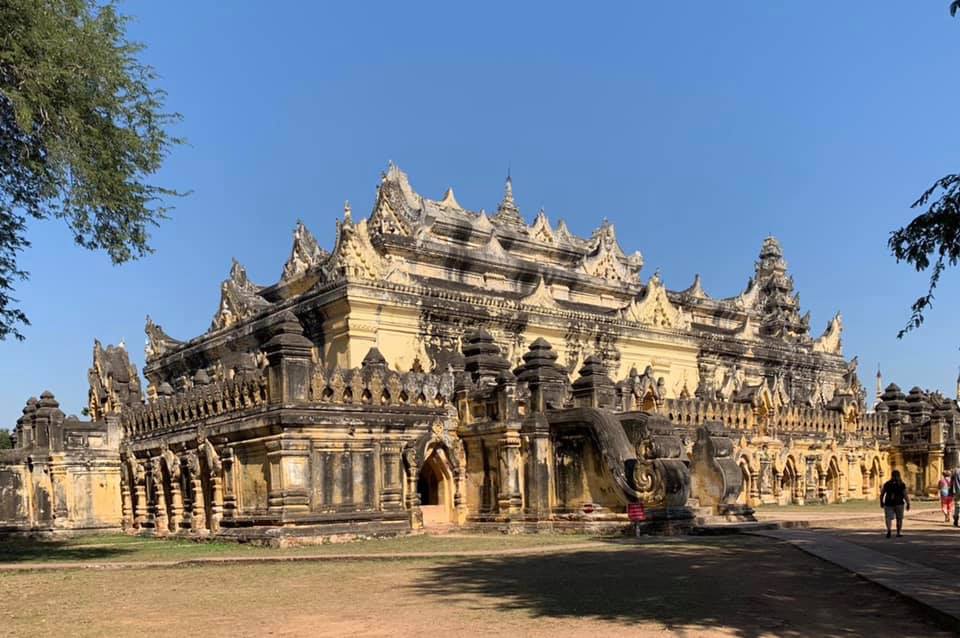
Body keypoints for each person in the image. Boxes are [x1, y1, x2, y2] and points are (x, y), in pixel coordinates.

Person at [880, 469, 910, 538]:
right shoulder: (901, 484)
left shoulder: (887, 484)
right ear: (899, 476)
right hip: (899, 503)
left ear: (892, 476)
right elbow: (905, 494)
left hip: (888, 503)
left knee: (888, 518)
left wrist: (881, 502)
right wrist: (908, 503)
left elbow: (882, 494)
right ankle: (898, 532)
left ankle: (889, 530)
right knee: (899, 518)